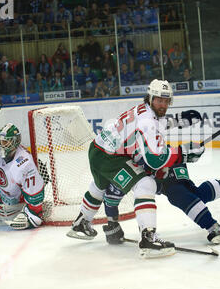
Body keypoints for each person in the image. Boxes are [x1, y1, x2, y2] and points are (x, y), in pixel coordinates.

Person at [66, 79, 205, 258]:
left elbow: (157, 123)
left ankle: (81, 222)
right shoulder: (147, 120)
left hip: (97, 150)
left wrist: (179, 121)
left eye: (166, 101)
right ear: (150, 98)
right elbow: (155, 160)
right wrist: (184, 153)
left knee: (99, 186)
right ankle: (148, 238)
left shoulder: (145, 110)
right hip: (111, 158)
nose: (163, 104)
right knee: (146, 184)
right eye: (159, 100)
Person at [103, 164, 220, 245]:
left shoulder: (120, 168)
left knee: (177, 194)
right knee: (195, 195)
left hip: (165, 163)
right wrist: (112, 225)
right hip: (161, 169)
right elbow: (111, 198)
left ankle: (213, 227)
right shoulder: (118, 172)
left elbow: (111, 197)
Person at [0, 123, 45, 230]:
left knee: (35, 217)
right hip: (2, 196)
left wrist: (34, 213)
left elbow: (34, 193)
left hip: (20, 202)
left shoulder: (24, 163)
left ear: (15, 141)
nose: (1, 145)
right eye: (1, 141)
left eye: (5, 142)